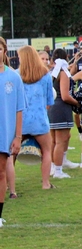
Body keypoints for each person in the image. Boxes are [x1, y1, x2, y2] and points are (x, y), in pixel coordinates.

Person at [16, 45, 55, 190]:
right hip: (39, 120)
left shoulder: (15, 75)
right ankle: (45, 183)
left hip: (20, 121)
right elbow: (49, 101)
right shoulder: (45, 75)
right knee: (46, 151)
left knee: (11, 154)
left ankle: (7, 184)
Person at [0, 37, 24, 227]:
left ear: (4, 52)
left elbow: (19, 109)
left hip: (4, 134)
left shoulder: (14, 77)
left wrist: (18, 136)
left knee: (1, 173)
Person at [48, 48, 80, 180]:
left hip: (51, 108)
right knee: (60, 142)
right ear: (66, 58)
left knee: (53, 141)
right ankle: (58, 171)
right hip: (61, 108)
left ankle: (52, 167)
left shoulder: (51, 73)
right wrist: (77, 103)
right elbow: (65, 96)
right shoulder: (63, 74)